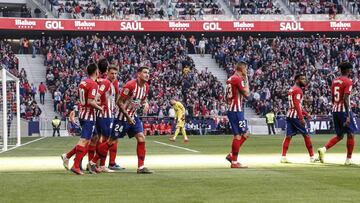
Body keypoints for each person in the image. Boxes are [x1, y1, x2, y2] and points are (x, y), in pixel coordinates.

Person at [61, 63, 103, 175]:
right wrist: (100, 108)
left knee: (94, 138)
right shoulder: (93, 84)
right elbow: (90, 102)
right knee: (84, 140)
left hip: (83, 113)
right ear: (96, 72)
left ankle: (67, 156)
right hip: (89, 116)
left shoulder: (83, 82)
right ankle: (76, 166)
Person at [112, 66, 152, 174]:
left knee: (141, 138)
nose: (147, 74)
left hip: (133, 116)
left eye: (148, 72)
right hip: (121, 117)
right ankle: (94, 162)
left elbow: (143, 98)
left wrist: (146, 103)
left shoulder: (146, 87)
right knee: (111, 141)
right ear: (138, 74)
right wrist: (127, 116)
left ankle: (141, 167)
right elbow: (119, 102)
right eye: (144, 72)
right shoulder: (130, 85)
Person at [318, 62, 359, 165]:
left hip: (335, 110)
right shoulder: (348, 81)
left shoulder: (334, 81)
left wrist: (335, 106)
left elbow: (333, 96)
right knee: (351, 134)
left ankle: (324, 149)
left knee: (340, 135)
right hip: (344, 111)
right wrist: (348, 116)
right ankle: (348, 159)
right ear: (347, 70)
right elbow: (345, 98)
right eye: (350, 69)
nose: (351, 71)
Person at [88, 60, 119, 173]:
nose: (114, 76)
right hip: (105, 115)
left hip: (105, 115)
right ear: (107, 73)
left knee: (100, 140)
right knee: (109, 140)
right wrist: (98, 106)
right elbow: (97, 96)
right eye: (112, 73)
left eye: (115, 74)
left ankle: (96, 164)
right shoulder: (106, 83)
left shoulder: (106, 83)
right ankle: (99, 164)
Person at [280, 73, 316, 163]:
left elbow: (297, 105)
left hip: (289, 115)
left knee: (288, 136)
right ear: (297, 80)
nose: (304, 80)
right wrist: (301, 118)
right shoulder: (298, 90)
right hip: (296, 117)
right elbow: (296, 104)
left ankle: (283, 157)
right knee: (306, 135)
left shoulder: (291, 89)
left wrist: (306, 114)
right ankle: (312, 157)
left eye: (304, 79)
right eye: (302, 79)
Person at [224, 62, 249, 168]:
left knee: (243, 134)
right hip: (236, 110)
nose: (246, 71)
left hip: (232, 109)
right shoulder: (237, 79)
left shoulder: (230, 79)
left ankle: (232, 156)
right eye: (246, 69)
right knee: (240, 135)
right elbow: (247, 94)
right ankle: (234, 161)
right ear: (242, 69)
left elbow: (226, 97)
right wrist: (246, 79)